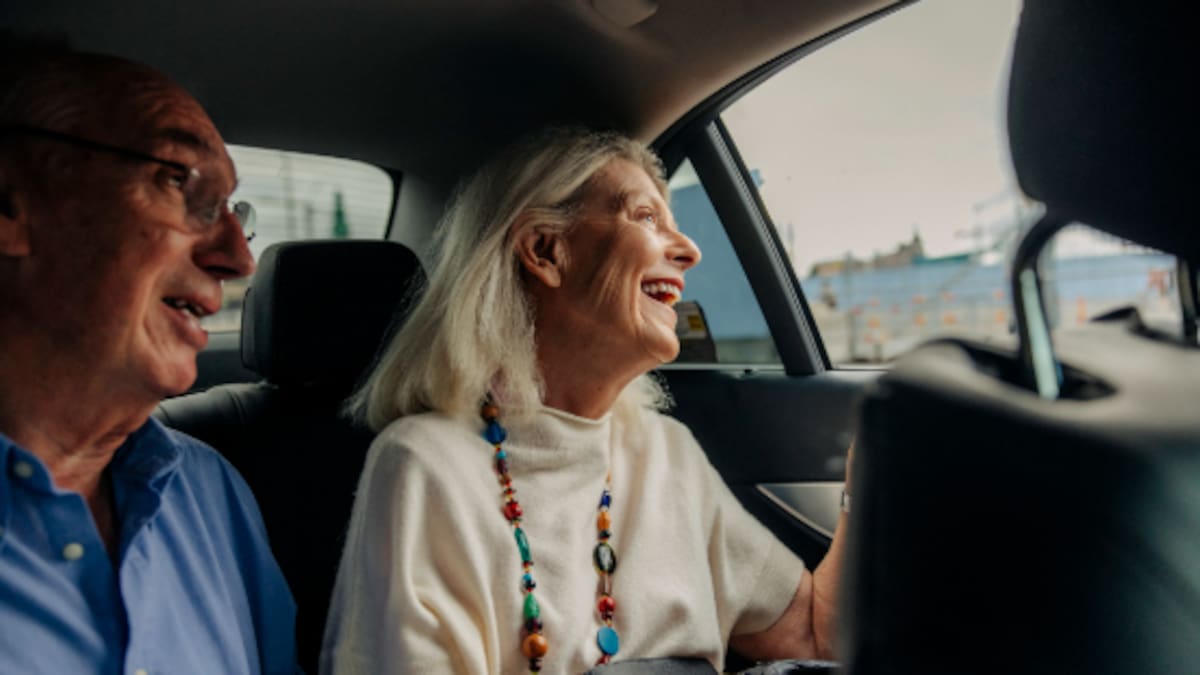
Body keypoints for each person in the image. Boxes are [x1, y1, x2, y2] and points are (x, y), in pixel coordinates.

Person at [321, 127, 848, 674]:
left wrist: (872, 474)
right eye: (646, 217)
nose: (688, 249)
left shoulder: (668, 451)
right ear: (546, 250)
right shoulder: (424, 463)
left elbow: (813, 633)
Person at [0, 42, 298, 673]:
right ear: (10, 203)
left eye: (233, 211)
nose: (238, 258)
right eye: (180, 182)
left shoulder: (209, 489)